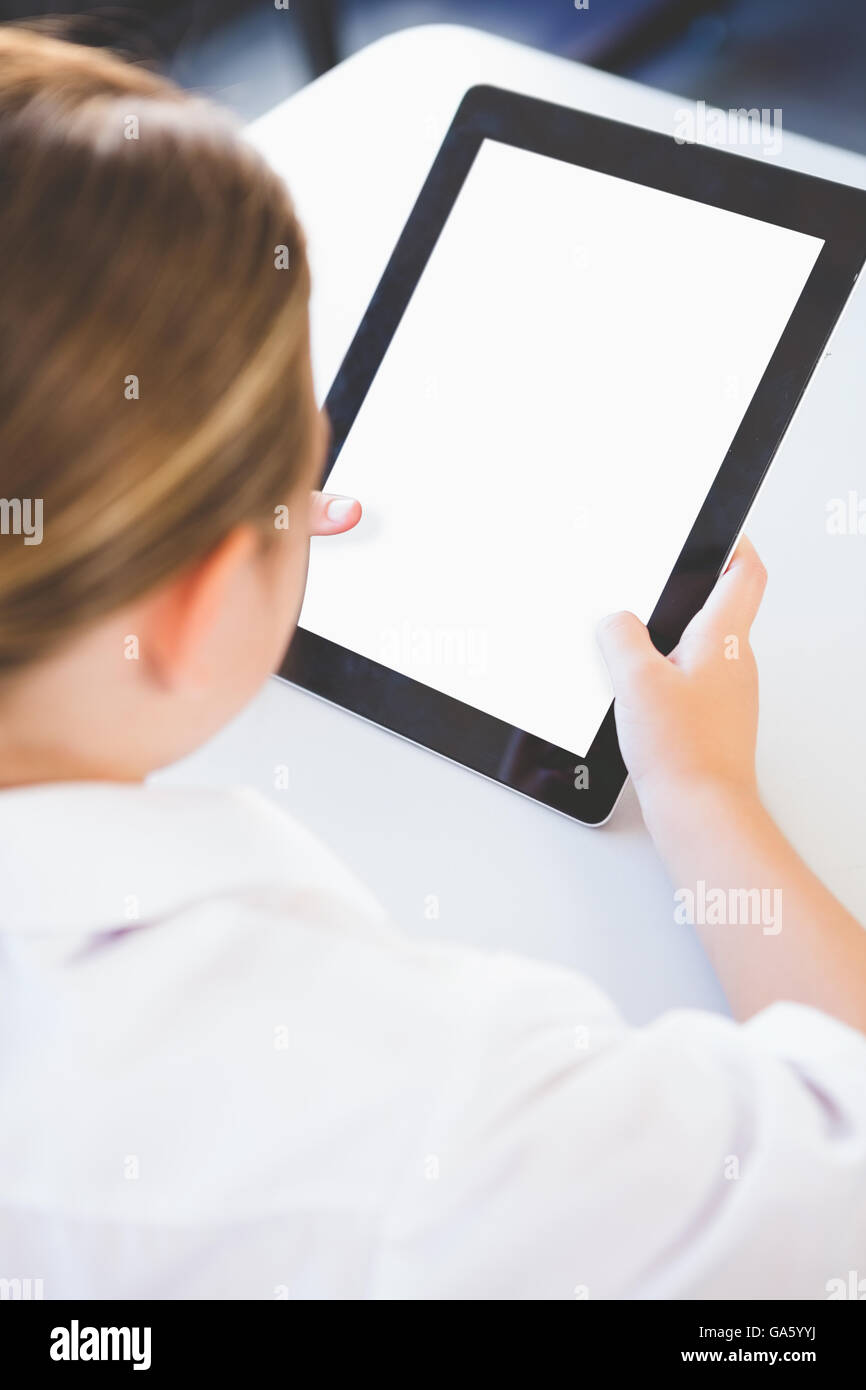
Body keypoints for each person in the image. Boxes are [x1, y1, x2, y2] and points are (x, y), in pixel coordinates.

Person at [0, 28, 864, 1301]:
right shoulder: (421, 1115)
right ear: (184, 615)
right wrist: (702, 792)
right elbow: (833, 1167)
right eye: (302, 466)